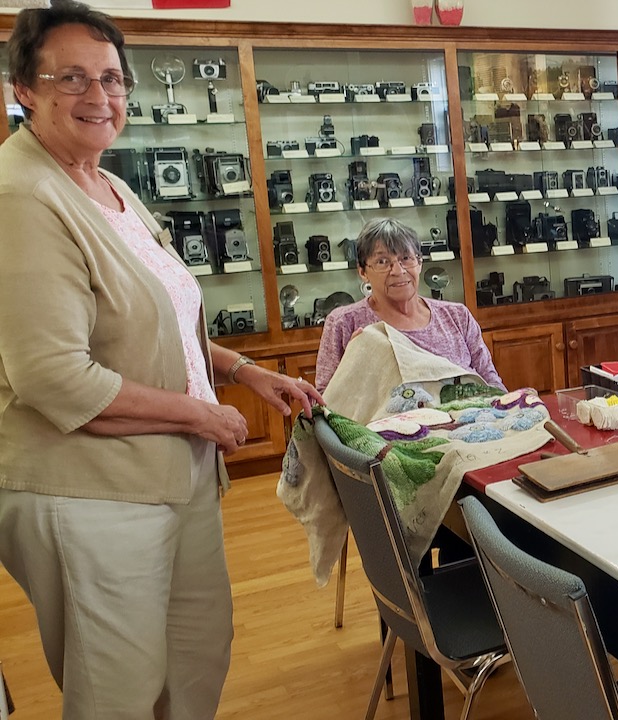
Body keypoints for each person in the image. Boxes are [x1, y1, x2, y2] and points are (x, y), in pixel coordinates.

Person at [0, 1, 323, 717]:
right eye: (73, 78)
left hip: (173, 476)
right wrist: (203, 415)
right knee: (118, 692)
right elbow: (55, 378)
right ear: (23, 87)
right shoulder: (21, 196)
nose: (99, 97)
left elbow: (158, 317)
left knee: (195, 657)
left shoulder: (107, 184)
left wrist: (242, 371)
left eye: (112, 79)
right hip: (91, 495)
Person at [315, 218, 505, 392]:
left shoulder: (457, 316)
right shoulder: (344, 323)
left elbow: (492, 383)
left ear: (420, 263)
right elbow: (326, 404)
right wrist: (353, 364)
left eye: (406, 258)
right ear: (363, 271)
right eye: (382, 261)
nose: (398, 271)